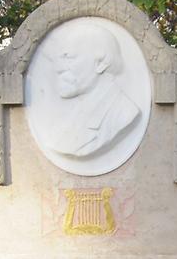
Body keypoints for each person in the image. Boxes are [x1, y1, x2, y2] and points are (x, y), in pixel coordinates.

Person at [47, 23, 141, 158]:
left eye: (69, 57)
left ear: (101, 63)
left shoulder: (124, 114)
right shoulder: (73, 114)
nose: (59, 69)